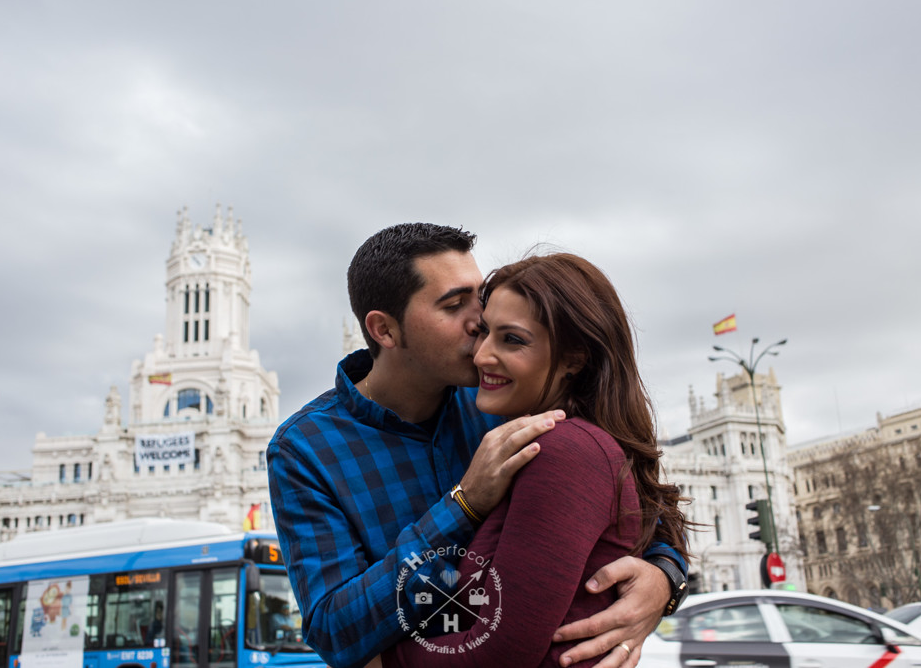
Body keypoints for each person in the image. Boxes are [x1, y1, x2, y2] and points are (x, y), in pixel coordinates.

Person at [268, 224, 689, 668]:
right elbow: (335, 631)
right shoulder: (306, 450)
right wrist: (462, 506)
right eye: (454, 305)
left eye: (479, 299)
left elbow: (640, 509)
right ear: (385, 330)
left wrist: (665, 580)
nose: (479, 322)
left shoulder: (507, 397)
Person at [373, 252, 690, 666]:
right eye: (485, 331)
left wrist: (380, 663)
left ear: (575, 359)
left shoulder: (563, 450)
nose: (482, 354)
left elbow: (502, 651)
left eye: (513, 339)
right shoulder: (535, 432)